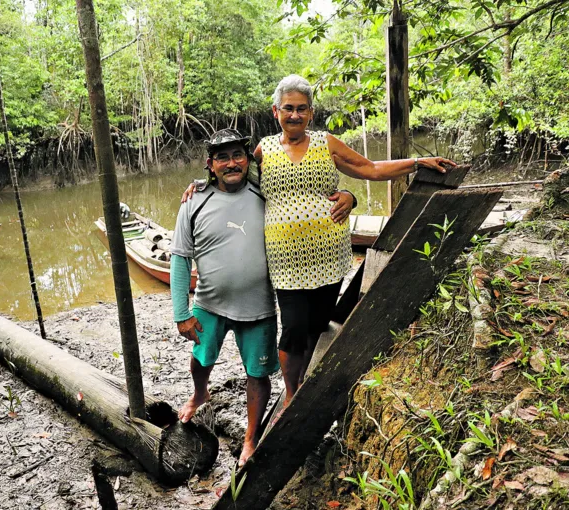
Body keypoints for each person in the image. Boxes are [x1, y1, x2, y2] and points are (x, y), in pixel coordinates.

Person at [183, 75, 455, 414]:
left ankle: (307, 376)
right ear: (275, 111)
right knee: (293, 327)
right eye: (288, 109)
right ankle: (292, 391)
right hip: (284, 262)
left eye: (301, 109)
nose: (294, 115)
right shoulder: (263, 150)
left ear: (311, 113)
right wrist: (201, 183)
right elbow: (232, 175)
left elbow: (368, 168)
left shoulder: (326, 142)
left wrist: (413, 165)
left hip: (330, 255)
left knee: (317, 323)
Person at [170, 128, 279, 467]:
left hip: (259, 306)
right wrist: (180, 312)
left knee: (257, 374)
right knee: (200, 358)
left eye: (237, 156)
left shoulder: (267, 192)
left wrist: (348, 195)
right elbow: (179, 257)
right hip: (209, 303)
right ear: (210, 164)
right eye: (222, 157)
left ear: (248, 160)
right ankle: (200, 393)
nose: (232, 163)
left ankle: (250, 438)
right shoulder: (194, 200)